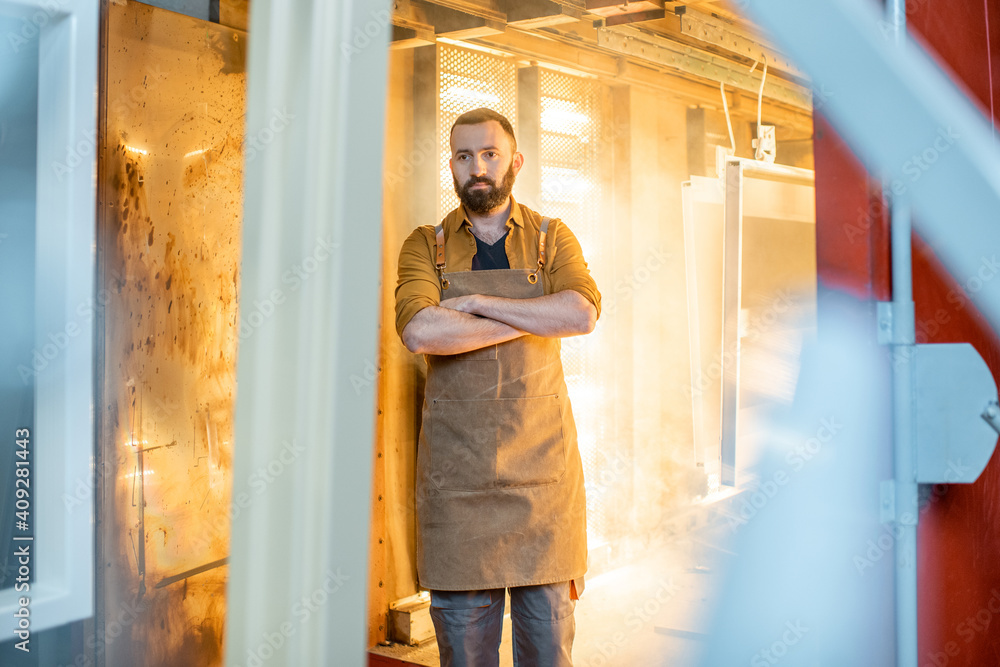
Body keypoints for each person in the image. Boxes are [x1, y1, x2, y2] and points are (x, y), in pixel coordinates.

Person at [394, 107, 601, 667]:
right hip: (457, 491)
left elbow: (580, 314)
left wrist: (480, 305)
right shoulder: (424, 244)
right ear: (452, 165)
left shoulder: (553, 238)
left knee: (548, 654)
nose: (476, 168)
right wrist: (533, 314)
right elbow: (419, 329)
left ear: (516, 162)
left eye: (489, 154)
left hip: (544, 489)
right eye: (464, 156)